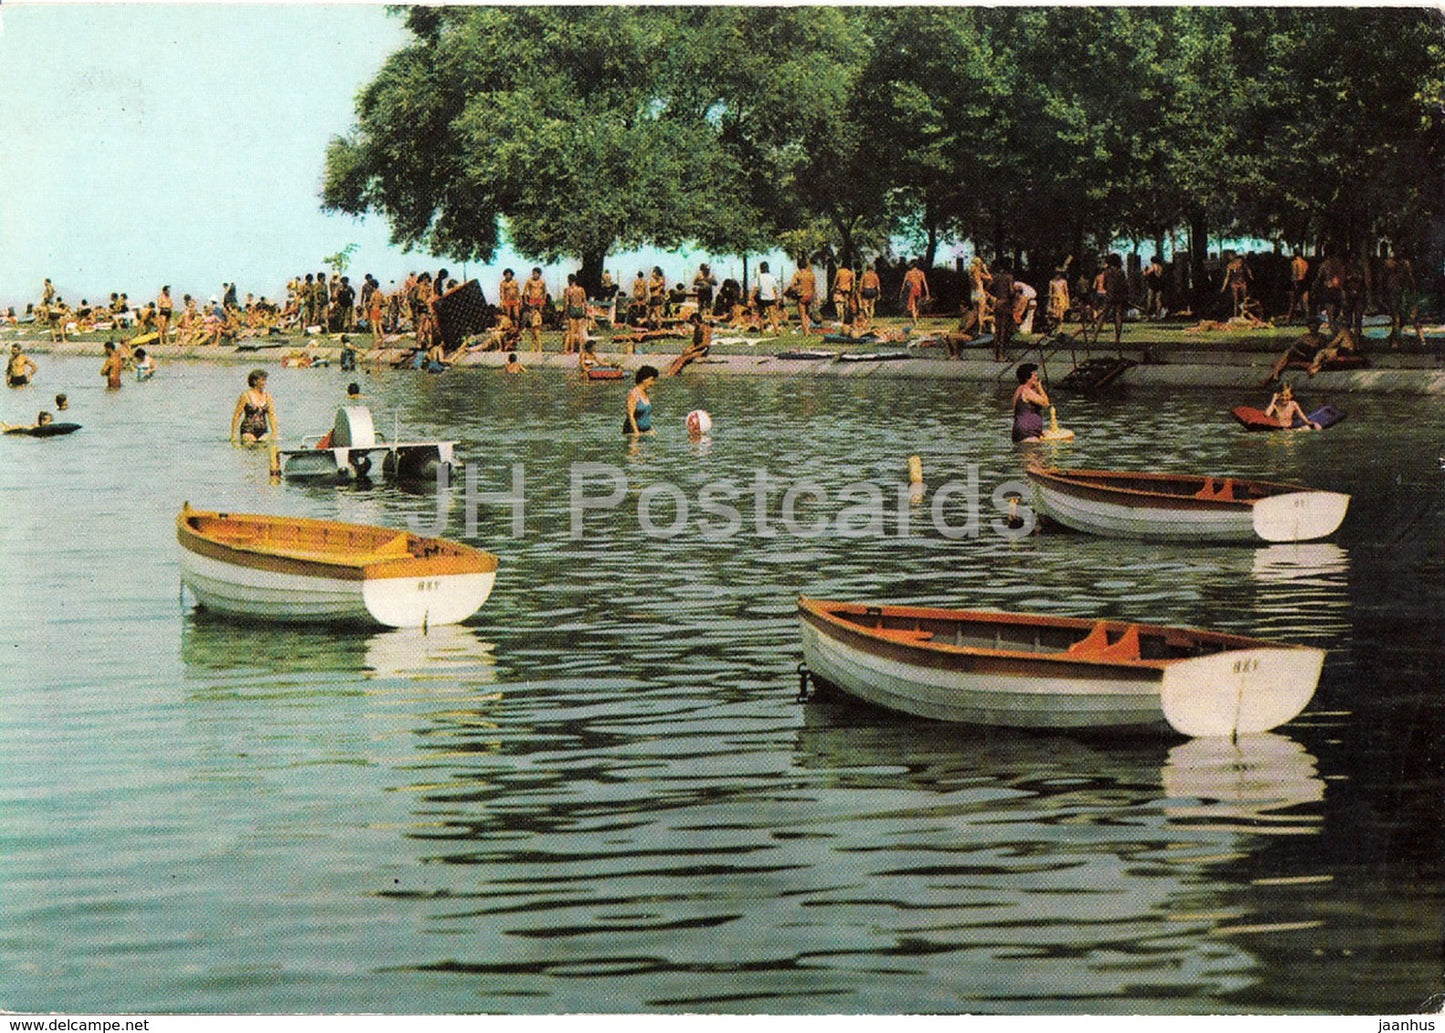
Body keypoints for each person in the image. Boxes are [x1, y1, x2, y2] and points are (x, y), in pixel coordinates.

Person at [1262, 317, 1328, 385]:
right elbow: (1294, 345)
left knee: (1286, 355)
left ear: (1317, 327)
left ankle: (1271, 376)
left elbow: (1320, 349)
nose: (1312, 328)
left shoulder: (1321, 336)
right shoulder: (1305, 336)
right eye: (1310, 326)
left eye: (1314, 326)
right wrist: (1298, 350)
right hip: (1302, 354)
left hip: (1311, 357)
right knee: (1287, 356)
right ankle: (1273, 376)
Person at [230, 369, 277, 445]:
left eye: (265, 380)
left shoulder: (267, 396)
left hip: (263, 430)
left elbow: (272, 416)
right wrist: (233, 435)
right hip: (248, 429)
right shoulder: (245, 396)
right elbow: (237, 415)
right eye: (262, 380)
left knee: (265, 448)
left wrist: (275, 433)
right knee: (250, 446)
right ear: (255, 381)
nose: (264, 383)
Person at [1011, 363, 1051, 443]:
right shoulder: (1026, 391)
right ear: (1027, 378)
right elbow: (1046, 403)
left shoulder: (1018, 390)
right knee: (1033, 453)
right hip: (1028, 432)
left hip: (1020, 430)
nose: (1037, 378)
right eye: (1035, 376)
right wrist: (1039, 388)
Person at [1098, 253, 1129, 349]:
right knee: (1118, 315)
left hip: (1109, 295)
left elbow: (1104, 285)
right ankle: (1117, 338)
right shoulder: (1121, 272)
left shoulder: (1107, 272)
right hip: (1119, 295)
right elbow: (1125, 284)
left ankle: (1095, 335)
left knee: (1103, 315)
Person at [990, 259, 1015, 360]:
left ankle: (996, 354)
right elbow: (1011, 292)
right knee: (1004, 330)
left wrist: (994, 299)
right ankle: (1001, 355)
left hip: (997, 303)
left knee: (997, 330)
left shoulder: (995, 277)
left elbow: (988, 288)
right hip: (1005, 304)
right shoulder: (1009, 277)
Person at [623, 365, 659, 435]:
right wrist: (636, 433)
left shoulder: (645, 393)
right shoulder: (634, 394)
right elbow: (630, 415)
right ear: (644, 379)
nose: (653, 383)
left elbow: (645, 415)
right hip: (633, 432)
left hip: (645, 431)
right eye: (652, 380)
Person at [562, 273, 589, 354]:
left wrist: (565, 313)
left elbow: (567, 303)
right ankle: (581, 349)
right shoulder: (581, 289)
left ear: (570, 280)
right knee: (580, 331)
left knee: (572, 331)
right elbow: (585, 302)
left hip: (572, 309)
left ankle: (572, 349)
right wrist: (586, 312)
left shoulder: (569, 290)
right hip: (580, 309)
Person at [788, 261, 816, 335]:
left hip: (802, 296)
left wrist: (797, 289)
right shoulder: (811, 274)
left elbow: (792, 286)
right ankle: (808, 330)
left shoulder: (798, 274)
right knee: (807, 314)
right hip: (810, 295)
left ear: (798, 266)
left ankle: (806, 332)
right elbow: (814, 287)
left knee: (802, 315)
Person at [900, 259, 930, 323]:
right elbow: (925, 283)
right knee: (917, 304)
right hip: (919, 289)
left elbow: (904, 283)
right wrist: (927, 293)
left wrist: (901, 291)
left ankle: (915, 320)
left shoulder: (908, 273)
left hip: (912, 289)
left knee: (913, 305)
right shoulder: (921, 273)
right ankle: (915, 316)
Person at [755, 261, 781, 333]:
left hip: (762, 297)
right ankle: (776, 330)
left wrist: (751, 297)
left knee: (761, 315)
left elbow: (756, 288)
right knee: (772, 315)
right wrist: (777, 299)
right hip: (771, 297)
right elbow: (774, 289)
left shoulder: (759, 277)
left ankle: (761, 330)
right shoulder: (772, 277)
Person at [1286, 251, 1310, 324]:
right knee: (1305, 303)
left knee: (1293, 303)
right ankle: (1308, 319)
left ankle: (1289, 320)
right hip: (1304, 282)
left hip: (1297, 282)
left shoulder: (1294, 262)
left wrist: (1294, 283)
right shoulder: (1305, 263)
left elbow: (1294, 274)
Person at [857, 263, 881, 331]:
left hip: (866, 289)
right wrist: (879, 293)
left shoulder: (865, 275)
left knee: (865, 305)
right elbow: (878, 285)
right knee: (872, 306)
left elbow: (861, 284)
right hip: (873, 290)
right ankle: (871, 319)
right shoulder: (875, 275)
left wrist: (859, 291)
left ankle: (867, 315)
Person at [1143, 256, 1165, 320]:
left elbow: (1146, 274)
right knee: (1158, 301)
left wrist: (1144, 270)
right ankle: (1158, 315)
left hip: (1152, 286)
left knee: (1149, 301)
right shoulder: (1160, 267)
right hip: (1160, 286)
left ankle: (1148, 316)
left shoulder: (1153, 267)